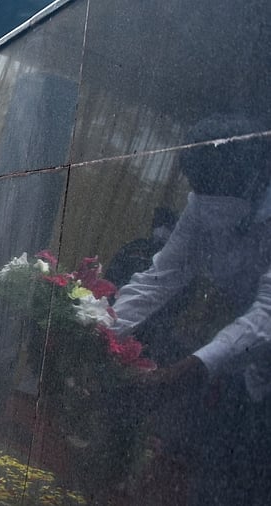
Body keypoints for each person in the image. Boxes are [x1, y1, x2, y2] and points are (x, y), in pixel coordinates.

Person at [110, 115, 271, 504]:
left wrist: (184, 372)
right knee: (214, 484)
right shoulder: (201, 203)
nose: (205, 201)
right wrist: (103, 329)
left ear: (251, 180)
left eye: (216, 190)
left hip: (247, 349)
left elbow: (267, 314)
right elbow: (161, 276)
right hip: (246, 367)